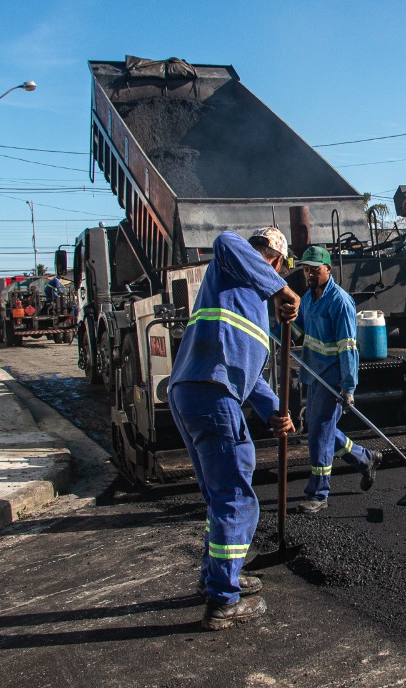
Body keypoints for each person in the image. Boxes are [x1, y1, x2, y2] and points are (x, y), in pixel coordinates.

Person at [167, 226, 301, 631]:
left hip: (192, 391)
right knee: (237, 499)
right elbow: (226, 239)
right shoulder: (229, 265)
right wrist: (279, 288)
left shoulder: (255, 309)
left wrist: (275, 411)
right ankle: (224, 600)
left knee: (218, 495)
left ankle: (219, 572)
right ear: (274, 262)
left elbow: (252, 376)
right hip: (210, 391)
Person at [290, 245, 381, 514]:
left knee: (318, 433)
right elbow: (299, 330)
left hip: (333, 380)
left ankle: (318, 493)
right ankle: (365, 459)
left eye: (314, 269)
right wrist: (281, 325)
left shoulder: (339, 302)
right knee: (320, 428)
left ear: (327, 269)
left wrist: (348, 386)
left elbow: (348, 346)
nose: (309, 274)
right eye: (306, 269)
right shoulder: (308, 298)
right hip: (315, 375)